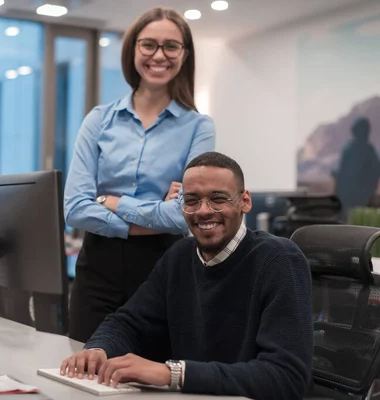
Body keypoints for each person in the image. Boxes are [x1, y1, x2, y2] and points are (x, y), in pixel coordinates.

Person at [60, 152, 313, 400]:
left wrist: (173, 374)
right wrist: (97, 349)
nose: (203, 211)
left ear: (244, 201)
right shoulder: (179, 256)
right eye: (191, 200)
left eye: (218, 198)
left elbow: (286, 377)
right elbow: (129, 322)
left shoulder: (279, 259)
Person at [64, 7, 215, 343]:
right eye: (149, 45)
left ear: (184, 55)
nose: (159, 55)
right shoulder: (99, 120)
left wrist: (111, 201)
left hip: (164, 268)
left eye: (171, 46)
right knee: (84, 371)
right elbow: (74, 208)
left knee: (151, 381)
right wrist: (155, 212)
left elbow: (183, 218)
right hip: (97, 272)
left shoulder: (198, 127)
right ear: (133, 50)